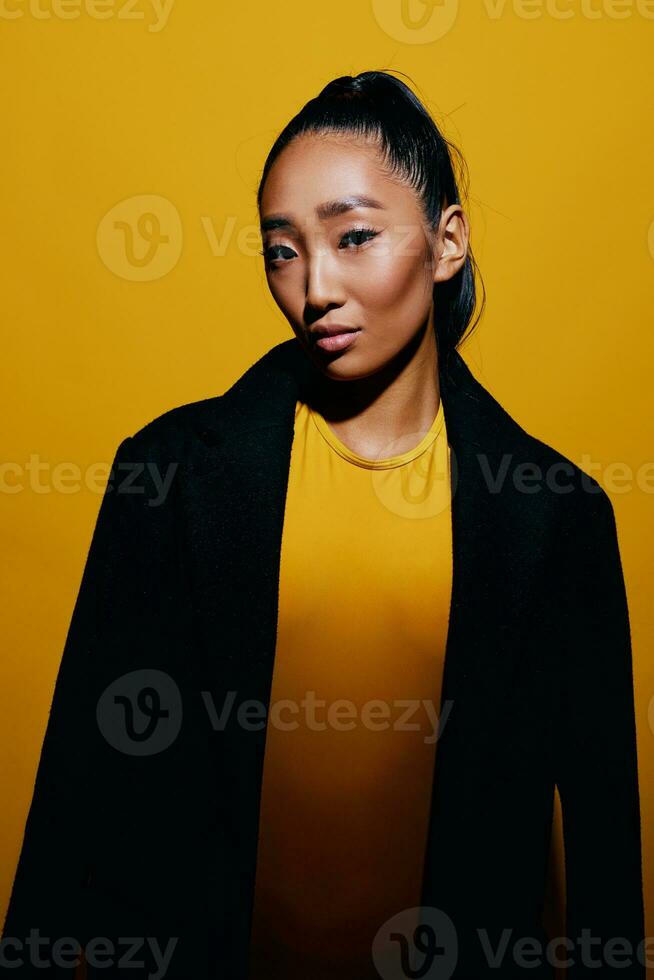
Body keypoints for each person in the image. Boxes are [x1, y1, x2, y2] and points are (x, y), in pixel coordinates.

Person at [2, 71, 645, 980]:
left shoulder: (557, 516)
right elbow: (84, 776)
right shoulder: (171, 474)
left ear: (447, 242)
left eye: (354, 236)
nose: (316, 286)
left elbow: (603, 846)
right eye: (281, 250)